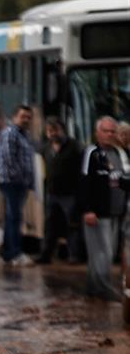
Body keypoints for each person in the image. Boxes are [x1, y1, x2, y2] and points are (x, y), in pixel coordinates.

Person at [78, 117, 128, 300]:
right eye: (105, 131)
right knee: (102, 252)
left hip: (115, 211)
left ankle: (93, 288)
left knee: (107, 251)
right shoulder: (91, 153)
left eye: (112, 131)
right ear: (97, 132)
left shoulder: (119, 153)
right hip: (97, 212)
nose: (109, 134)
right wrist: (87, 209)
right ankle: (104, 288)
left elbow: (123, 179)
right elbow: (83, 182)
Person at [37, 117, 84, 264]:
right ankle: (46, 255)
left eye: (55, 130)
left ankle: (74, 256)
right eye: (49, 131)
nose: (52, 134)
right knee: (50, 226)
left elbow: (82, 171)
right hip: (52, 194)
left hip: (70, 194)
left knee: (72, 225)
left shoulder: (75, 147)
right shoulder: (46, 148)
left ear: (62, 130)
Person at [0, 105, 36, 266]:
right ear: (14, 117)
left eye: (28, 117)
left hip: (20, 182)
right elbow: (9, 159)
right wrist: (20, 179)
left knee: (11, 217)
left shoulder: (24, 135)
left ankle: (7, 252)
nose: (26, 120)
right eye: (23, 116)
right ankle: (14, 253)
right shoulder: (10, 133)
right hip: (11, 182)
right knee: (14, 217)